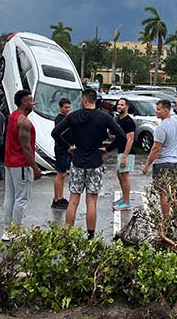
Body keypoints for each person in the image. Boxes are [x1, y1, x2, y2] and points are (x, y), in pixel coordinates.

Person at [51, 88, 124, 238]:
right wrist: (107, 149)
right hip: (95, 162)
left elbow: (55, 133)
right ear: (94, 100)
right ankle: (91, 236)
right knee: (91, 201)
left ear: (84, 100)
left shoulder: (73, 116)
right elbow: (121, 136)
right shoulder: (103, 117)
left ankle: (68, 234)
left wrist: (68, 147)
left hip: (77, 161)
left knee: (73, 200)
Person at [2, 90, 42, 241]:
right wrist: (35, 168)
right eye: (31, 101)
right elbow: (25, 148)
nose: (33, 103)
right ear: (24, 102)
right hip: (21, 164)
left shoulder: (13, 116)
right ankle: (16, 231)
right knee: (21, 199)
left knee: (10, 196)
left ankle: (7, 230)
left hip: (10, 163)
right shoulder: (23, 122)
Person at [142, 97, 177, 220]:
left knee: (164, 193)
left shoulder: (161, 129)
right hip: (175, 162)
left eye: (158, 109)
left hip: (163, 164)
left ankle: (165, 220)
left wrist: (147, 165)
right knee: (173, 191)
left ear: (166, 111)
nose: (156, 111)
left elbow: (155, 149)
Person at [106, 97, 136, 210]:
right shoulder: (119, 120)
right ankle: (124, 198)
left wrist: (125, 156)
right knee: (120, 174)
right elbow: (121, 137)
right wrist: (113, 137)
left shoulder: (129, 121)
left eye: (122, 105)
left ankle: (127, 202)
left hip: (127, 153)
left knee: (125, 175)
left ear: (127, 107)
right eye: (118, 104)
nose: (119, 106)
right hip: (121, 151)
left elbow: (130, 139)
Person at [51, 98, 72, 210]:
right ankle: (56, 199)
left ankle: (60, 196)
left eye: (69, 107)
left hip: (67, 149)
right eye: (65, 107)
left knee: (63, 174)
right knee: (60, 174)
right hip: (61, 149)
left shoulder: (66, 118)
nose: (67, 109)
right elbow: (59, 133)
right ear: (60, 107)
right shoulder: (60, 119)